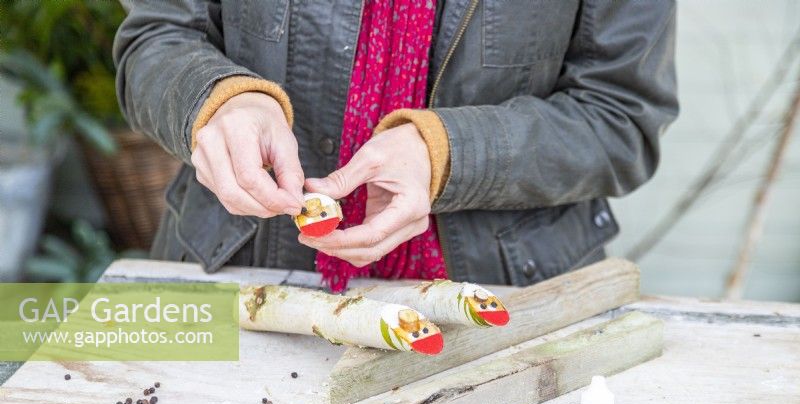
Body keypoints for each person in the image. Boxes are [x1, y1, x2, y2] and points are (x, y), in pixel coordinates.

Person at [114, 0, 678, 291]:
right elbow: (158, 36)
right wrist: (218, 100)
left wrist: (446, 154)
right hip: (237, 279)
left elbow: (620, 115)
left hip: (502, 310)